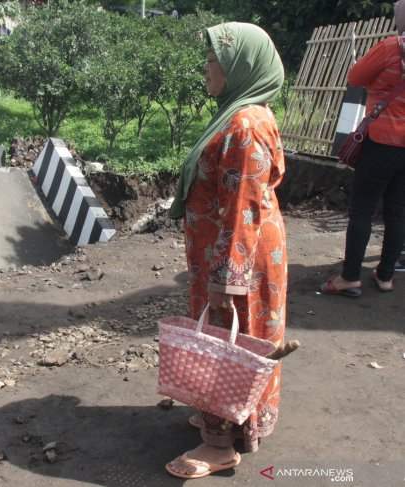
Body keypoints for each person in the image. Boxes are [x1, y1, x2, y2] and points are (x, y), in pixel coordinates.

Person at [164, 22, 286, 479]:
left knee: (225, 336)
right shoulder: (239, 114)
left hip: (237, 254)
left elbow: (243, 207)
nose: (206, 67)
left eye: (213, 59)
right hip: (228, 248)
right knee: (237, 340)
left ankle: (220, 445)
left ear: (238, 67)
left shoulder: (244, 124)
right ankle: (237, 419)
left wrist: (227, 279)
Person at [320, 0, 405, 296]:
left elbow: (355, 77)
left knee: (362, 210)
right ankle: (384, 276)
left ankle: (351, 277)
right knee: (398, 211)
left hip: (382, 141)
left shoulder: (392, 47)